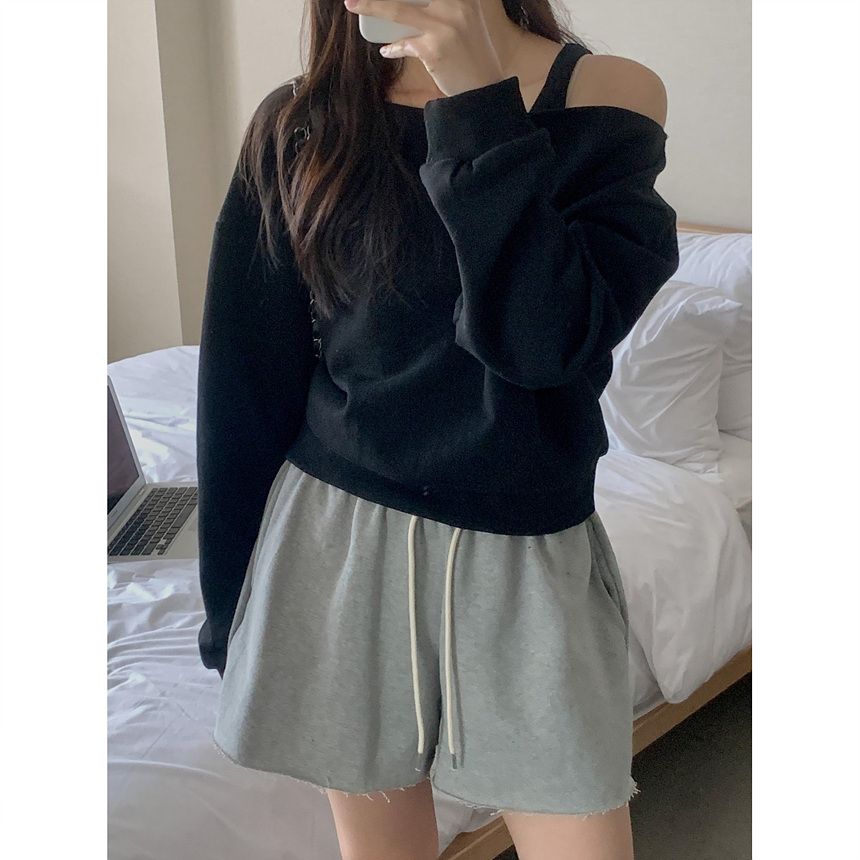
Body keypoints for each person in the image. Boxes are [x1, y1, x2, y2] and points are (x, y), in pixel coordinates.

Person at [196, 0, 678, 857]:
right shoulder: (302, 122)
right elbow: (244, 388)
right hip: (336, 544)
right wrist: (229, 611)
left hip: (526, 554)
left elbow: (544, 343)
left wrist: (477, 108)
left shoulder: (606, 96)